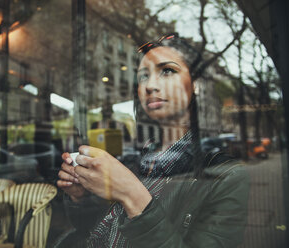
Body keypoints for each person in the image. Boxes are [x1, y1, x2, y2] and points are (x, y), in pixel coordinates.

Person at [56, 33, 249, 248]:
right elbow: (100, 231)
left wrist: (131, 195)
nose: (150, 86)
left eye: (167, 71)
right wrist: (82, 198)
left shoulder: (225, 176)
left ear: (195, 84)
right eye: (143, 76)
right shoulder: (139, 156)